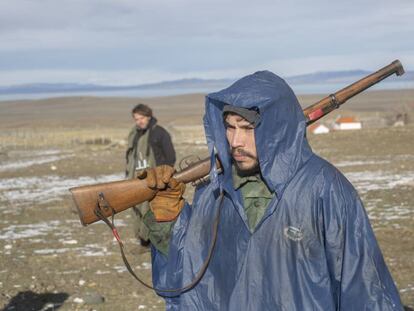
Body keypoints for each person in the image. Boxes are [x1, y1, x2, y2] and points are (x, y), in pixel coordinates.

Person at [139, 71, 403, 310]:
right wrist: (168, 220)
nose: (235, 141)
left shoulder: (325, 189)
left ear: (277, 130)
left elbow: (364, 289)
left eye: (247, 128)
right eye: (230, 127)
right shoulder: (214, 192)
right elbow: (186, 281)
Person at [125, 103, 176, 246]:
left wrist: (163, 177)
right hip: (136, 179)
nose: (139, 121)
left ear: (149, 116)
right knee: (137, 209)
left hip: (155, 180)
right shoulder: (134, 135)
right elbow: (130, 157)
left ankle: (153, 242)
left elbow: (170, 157)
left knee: (152, 211)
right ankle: (143, 241)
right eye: (136, 119)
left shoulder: (160, 133)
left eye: (142, 118)